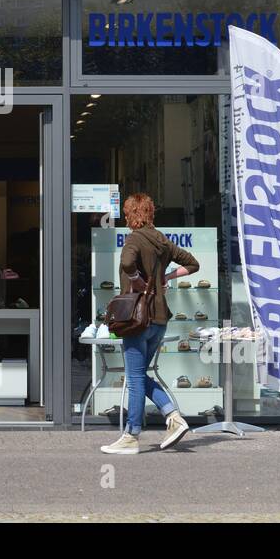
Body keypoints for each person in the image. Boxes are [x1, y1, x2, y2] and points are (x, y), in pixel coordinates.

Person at [100, 193, 201, 455]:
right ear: (150, 213)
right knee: (140, 377)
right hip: (159, 319)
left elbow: (126, 262)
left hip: (137, 319)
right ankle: (173, 417)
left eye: (126, 212)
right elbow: (192, 264)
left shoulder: (134, 239)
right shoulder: (163, 241)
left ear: (131, 214)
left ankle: (132, 435)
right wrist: (165, 277)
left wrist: (134, 279)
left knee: (134, 380)